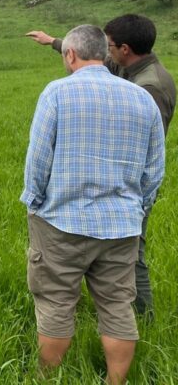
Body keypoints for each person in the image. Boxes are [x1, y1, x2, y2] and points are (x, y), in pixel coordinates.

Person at [22, 24, 164, 384]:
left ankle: (46, 377)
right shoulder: (141, 97)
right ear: (102, 53)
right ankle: (115, 382)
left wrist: (35, 203)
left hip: (60, 221)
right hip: (122, 225)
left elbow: (38, 159)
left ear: (70, 55)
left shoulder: (56, 93)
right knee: (117, 304)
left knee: (56, 302)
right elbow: (154, 169)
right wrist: (136, 207)